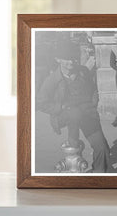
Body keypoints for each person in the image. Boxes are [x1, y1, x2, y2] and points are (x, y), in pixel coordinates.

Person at [37, 41, 110, 173]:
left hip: (87, 113)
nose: (71, 62)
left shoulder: (83, 71)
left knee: (102, 148)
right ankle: (73, 140)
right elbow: (41, 102)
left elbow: (93, 89)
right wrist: (60, 107)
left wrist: (94, 103)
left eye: (73, 58)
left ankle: (100, 175)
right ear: (58, 59)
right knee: (74, 113)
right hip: (64, 115)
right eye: (66, 58)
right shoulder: (52, 80)